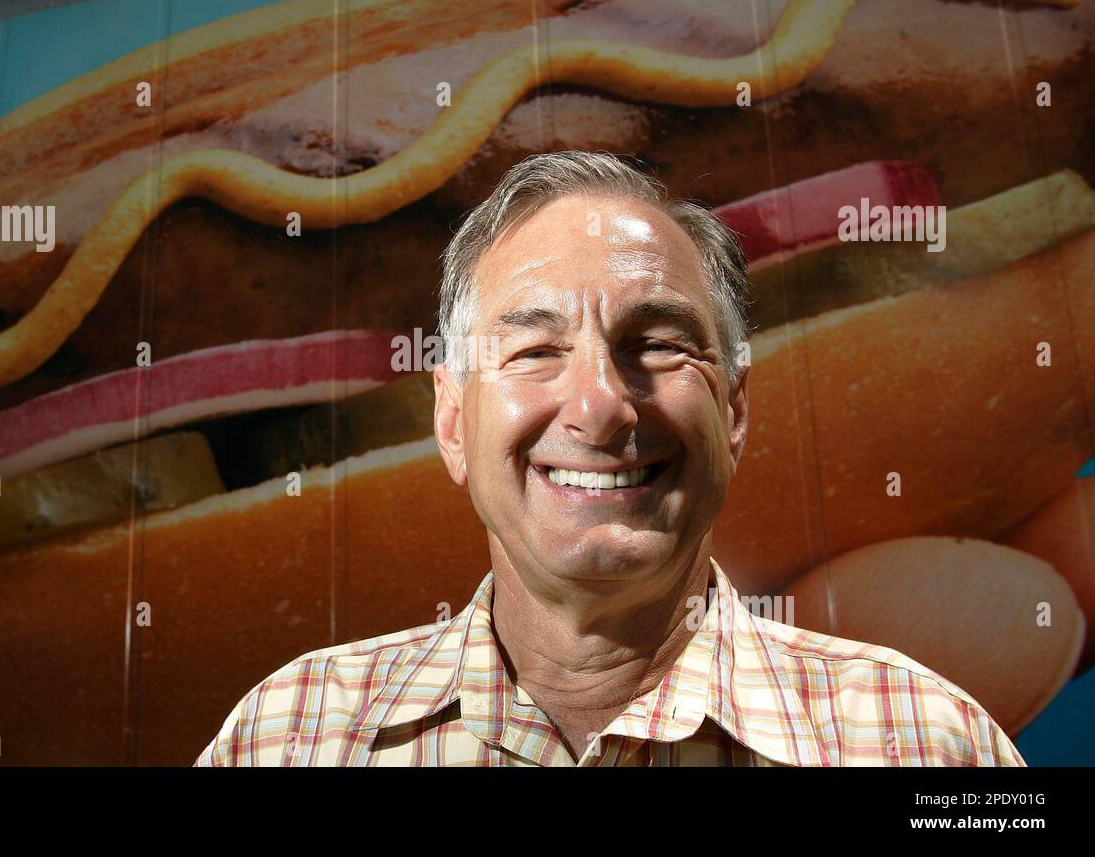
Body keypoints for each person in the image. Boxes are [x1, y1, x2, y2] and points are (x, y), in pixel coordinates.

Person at [196, 150, 1025, 766]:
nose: (599, 406)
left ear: (734, 409)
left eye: (658, 343)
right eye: (533, 351)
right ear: (452, 421)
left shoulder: (927, 740)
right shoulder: (287, 734)